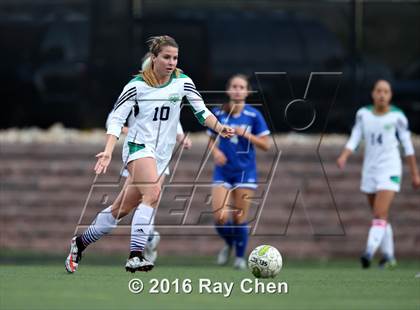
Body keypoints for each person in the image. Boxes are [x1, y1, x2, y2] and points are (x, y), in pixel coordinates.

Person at [65, 35, 234, 273]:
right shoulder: (136, 85)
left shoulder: (183, 82)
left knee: (119, 210)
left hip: (162, 155)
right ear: (153, 58)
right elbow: (115, 118)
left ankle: (79, 243)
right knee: (153, 192)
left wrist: (219, 127)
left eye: (175, 58)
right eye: (166, 57)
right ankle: (135, 255)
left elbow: (201, 111)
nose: (171, 62)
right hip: (138, 147)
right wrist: (107, 151)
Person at [337, 79, 420, 269]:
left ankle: (368, 252)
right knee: (381, 216)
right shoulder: (363, 114)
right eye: (379, 91)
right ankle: (389, 257)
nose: (382, 94)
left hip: (390, 169)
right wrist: (344, 156)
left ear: (390, 95)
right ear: (373, 94)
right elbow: (355, 137)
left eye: (386, 91)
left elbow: (407, 147)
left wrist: (415, 174)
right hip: (370, 170)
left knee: (379, 214)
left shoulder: (397, 117)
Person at [207, 74, 271, 269]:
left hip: (245, 171)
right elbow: (210, 138)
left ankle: (240, 258)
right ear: (228, 90)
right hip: (223, 171)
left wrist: (247, 134)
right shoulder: (218, 113)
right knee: (220, 217)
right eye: (234, 86)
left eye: (241, 87)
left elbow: (266, 145)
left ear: (247, 91)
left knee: (239, 218)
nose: (237, 90)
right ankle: (229, 243)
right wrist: (216, 152)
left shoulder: (253, 116)